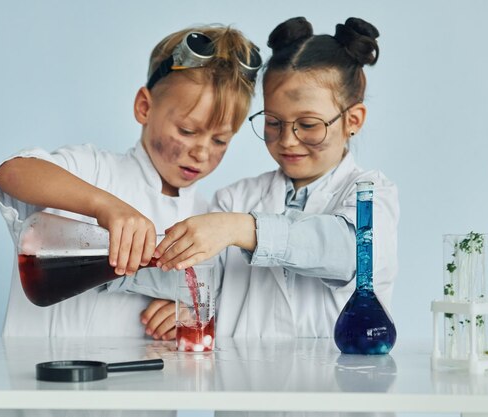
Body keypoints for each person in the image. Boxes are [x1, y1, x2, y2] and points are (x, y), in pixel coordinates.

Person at [0, 25, 261, 338]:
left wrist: (184, 318)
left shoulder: (206, 226)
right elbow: (12, 173)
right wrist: (104, 205)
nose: (201, 152)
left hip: (132, 386)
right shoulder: (93, 169)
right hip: (39, 379)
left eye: (220, 141)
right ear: (144, 107)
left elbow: (202, 314)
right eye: (187, 131)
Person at [141, 16, 399, 339]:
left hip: (337, 383)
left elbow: (348, 252)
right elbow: (205, 282)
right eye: (273, 122)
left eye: (307, 125)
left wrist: (240, 228)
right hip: (244, 384)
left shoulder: (370, 193)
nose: (288, 140)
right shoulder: (234, 200)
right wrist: (189, 308)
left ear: (353, 120)